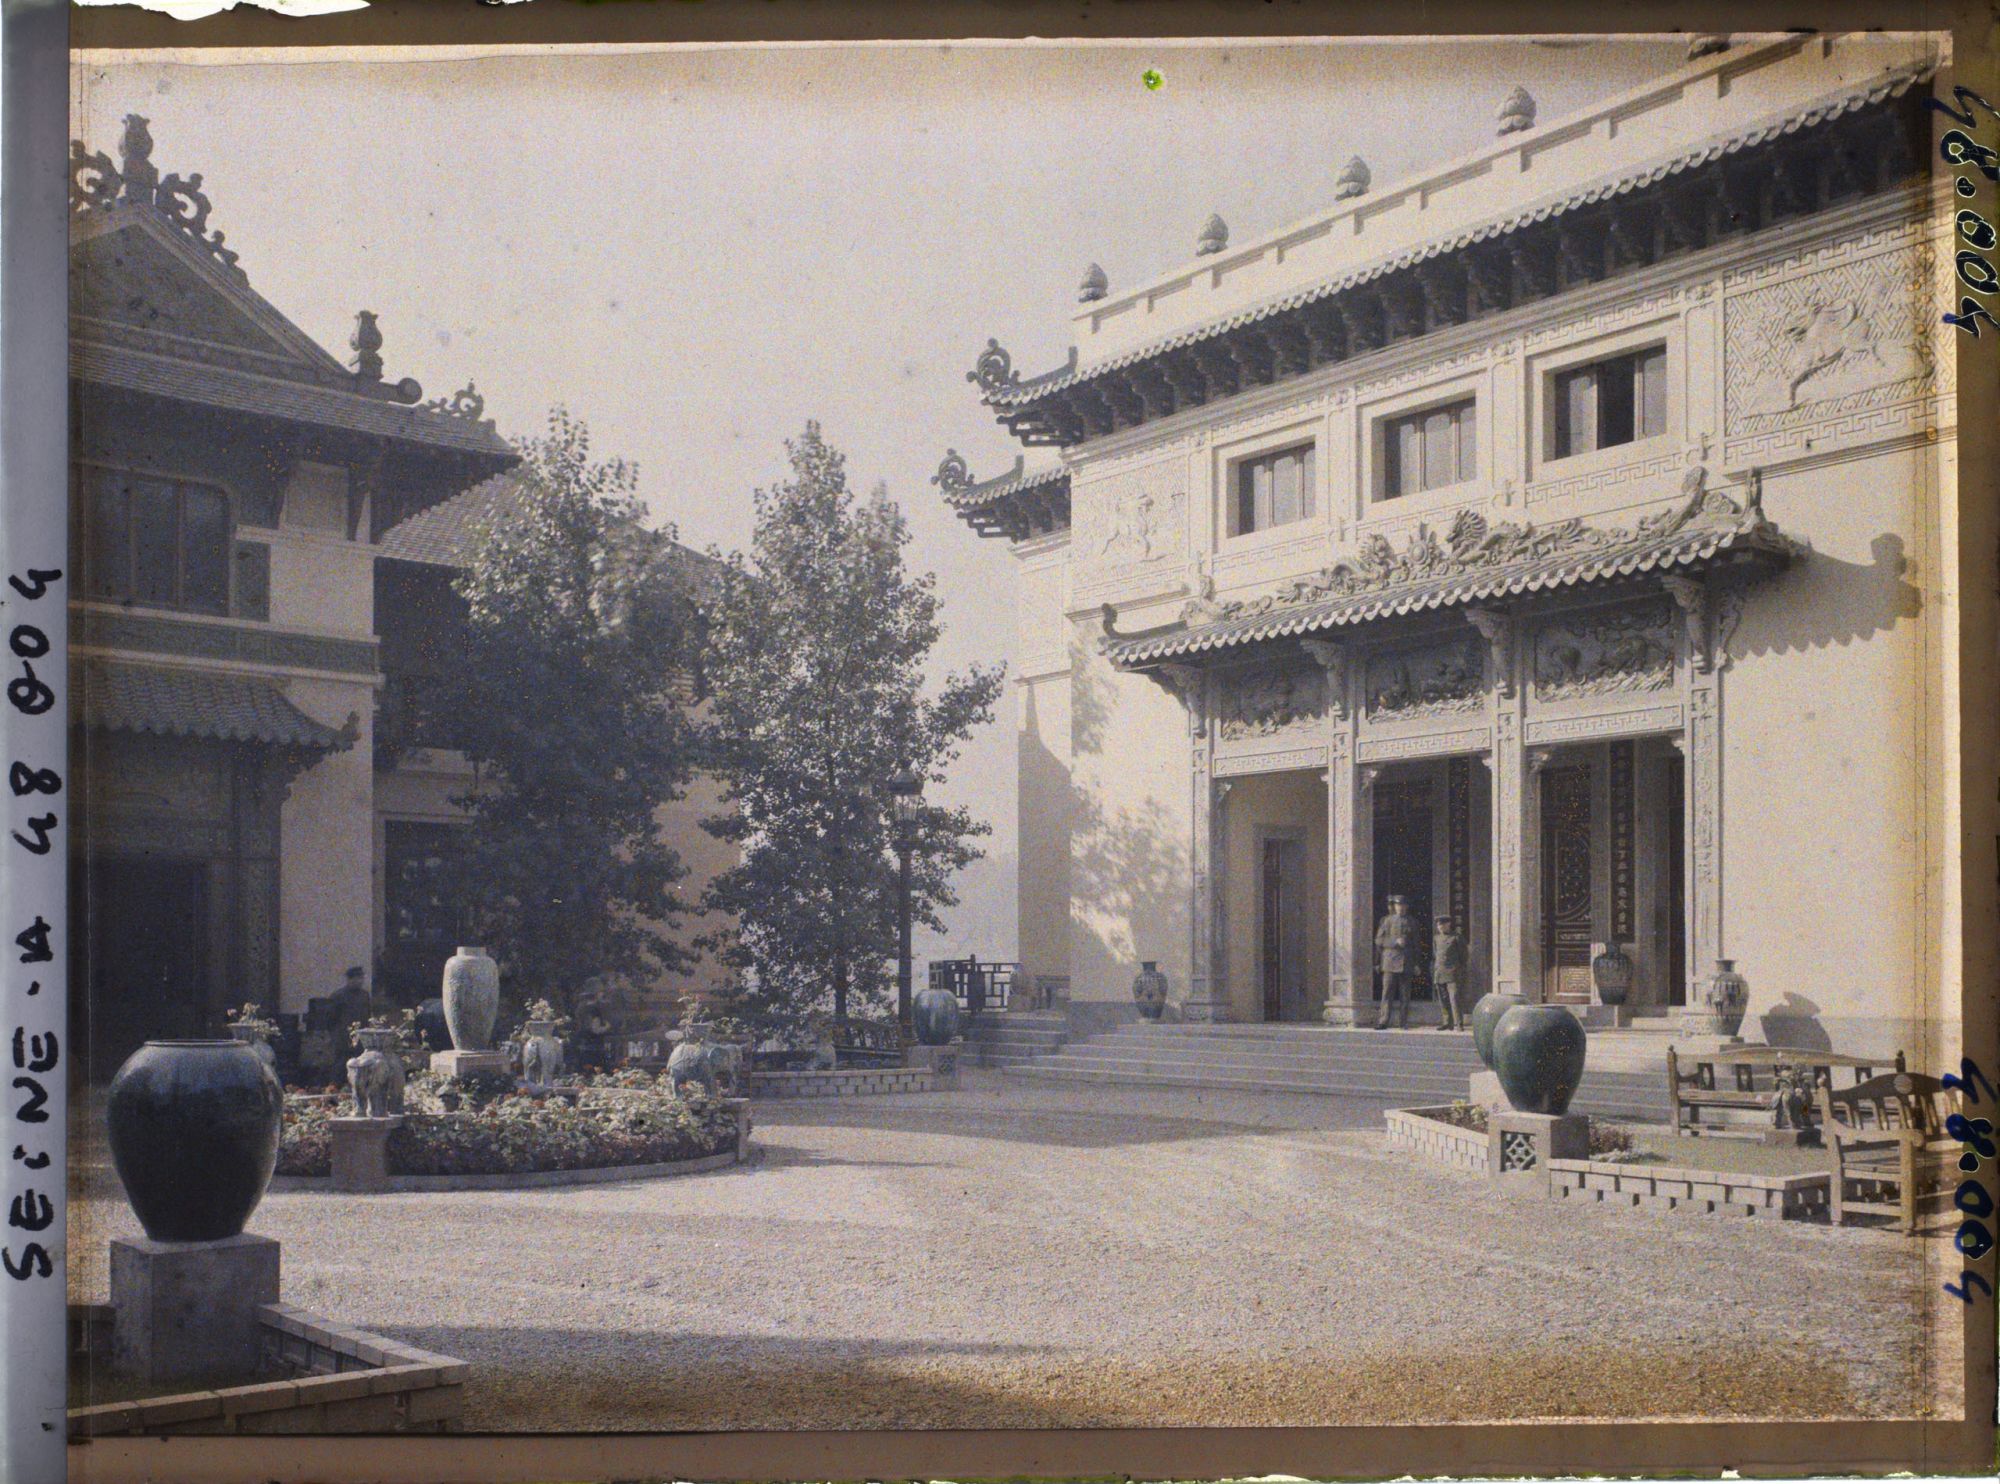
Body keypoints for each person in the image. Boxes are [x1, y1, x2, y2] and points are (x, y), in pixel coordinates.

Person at [1374, 895, 1418, 1030]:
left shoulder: (1412, 922)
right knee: (1387, 993)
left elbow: (1417, 944)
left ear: (1407, 907)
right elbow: (1379, 941)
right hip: (1390, 962)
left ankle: (1403, 1022)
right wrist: (1394, 942)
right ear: (1394, 906)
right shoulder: (1387, 921)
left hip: (1406, 962)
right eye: (1398, 905)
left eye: (1403, 905)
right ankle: (1383, 1021)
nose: (1401, 908)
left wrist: (1416, 963)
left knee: (1405, 994)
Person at [1432, 915, 1469, 1030]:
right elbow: (1436, 954)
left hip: (1453, 973)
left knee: (1454, 999)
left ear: (1448, 924)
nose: (1440, 927)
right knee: (1443, 999)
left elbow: (1464, 956)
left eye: (1443, 924)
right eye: (1438, 925)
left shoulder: (1456, 937)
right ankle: (1447, 1022)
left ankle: (1459, 1023)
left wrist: (1458, 969)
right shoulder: (1436, 938)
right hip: (1440, 972)